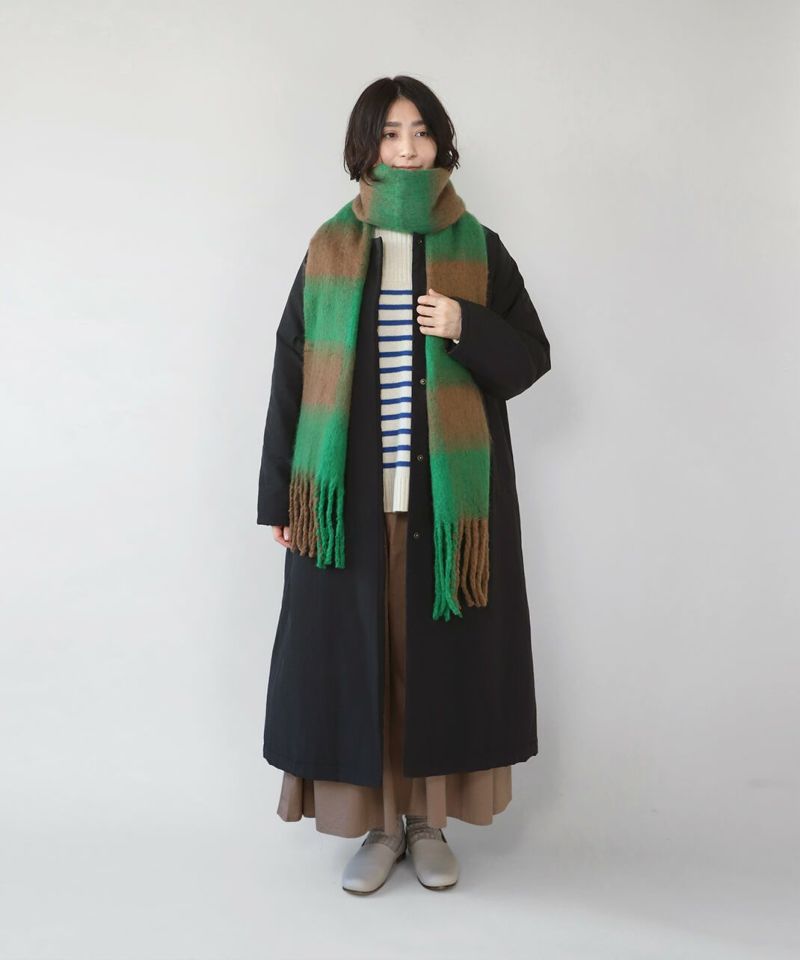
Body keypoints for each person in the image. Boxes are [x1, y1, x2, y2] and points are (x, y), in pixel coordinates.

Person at [257, 75, 551, 894]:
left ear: (440, 141)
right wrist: (281, 498)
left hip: (450, 509)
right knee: (367, 667)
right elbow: (291, 372)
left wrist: (466, 326)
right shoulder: (330, 247)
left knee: (433, 668)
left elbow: (530, 359)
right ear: (367, 145)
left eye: (420, 131)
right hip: (348, 505)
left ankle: (428, 825)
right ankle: (379, 829)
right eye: (390, 133)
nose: (408, 148)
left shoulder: (478, 247)